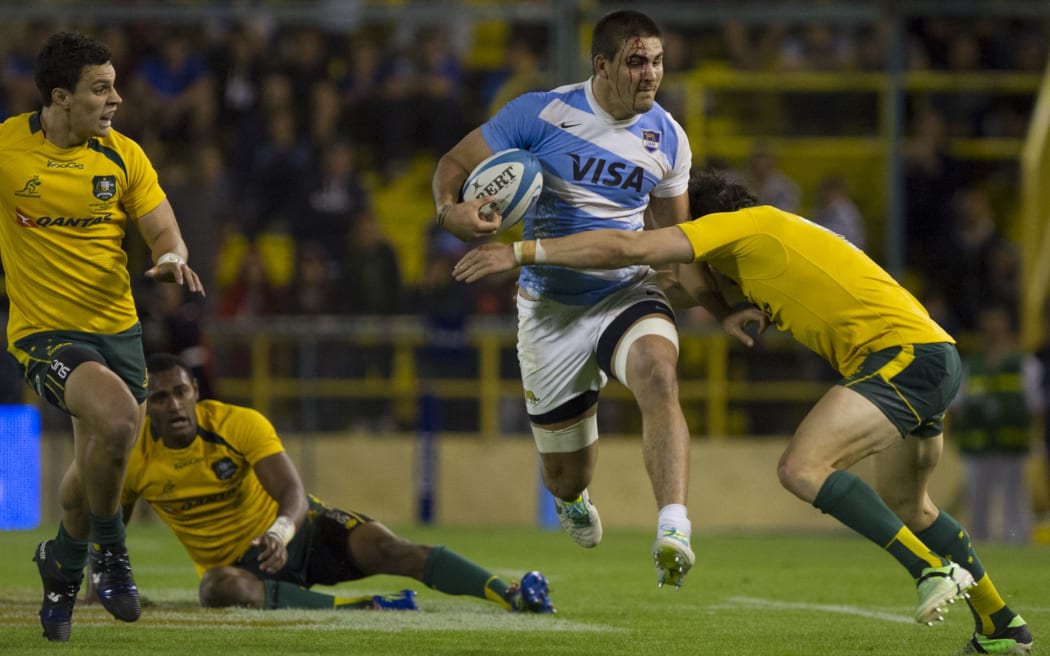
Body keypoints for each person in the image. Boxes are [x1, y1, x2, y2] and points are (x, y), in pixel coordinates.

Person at [452, 170, 1034, 655]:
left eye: (676, 223)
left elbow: (635, 249)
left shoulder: (743, 228)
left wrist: (520, 251)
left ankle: (929, 570)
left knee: (802, 468)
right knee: (913, 505)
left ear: (701, 222)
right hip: (928, 355)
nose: (668, 230)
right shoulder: (766, 241)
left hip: (903, 359)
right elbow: (667, 277)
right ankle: (1000, 625)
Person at [431, 9, 706, 589]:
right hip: (550, 310)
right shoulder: (540, 112)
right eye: (636, 61)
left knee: (659, 372)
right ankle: (572, 496)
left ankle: (674, 526)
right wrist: (449, 209)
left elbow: (671, 242)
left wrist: (716, 298)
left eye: (657, 61)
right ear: (601, 65)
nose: (650, 74)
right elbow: (454, 165)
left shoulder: (669, 138)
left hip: (623, 291)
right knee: (563, 475)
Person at [0, 32, 206, 642]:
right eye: (101, 89)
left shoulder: (123, 156)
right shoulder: (8, 150)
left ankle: (60, 562)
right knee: (118, 423)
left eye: (114, 85)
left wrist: (170, 256)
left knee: (89, 476)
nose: (117, 98)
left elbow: (165, 229)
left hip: (117, 332)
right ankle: (109, 556)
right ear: (60, 97)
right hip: (43, 335)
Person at [109, 352, 553, 614]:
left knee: (390, 548)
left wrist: (280, 532)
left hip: (299, 531)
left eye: (182, 393)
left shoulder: (236, 424)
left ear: (195, 393)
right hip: (241, 568)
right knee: (216, 589)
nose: (175, 406)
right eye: (161, 398)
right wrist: (98, 585)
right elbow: (111, 528)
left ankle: (510, 593)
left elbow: (293, 494)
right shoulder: (135, 457)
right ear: (145, 404)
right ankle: (368, 608)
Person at [950, 303, 1044, 544]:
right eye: (988, 325)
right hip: (978, 442)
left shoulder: (1025, 363)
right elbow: (957, 404)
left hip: (1012, 441)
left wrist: (1035, 436)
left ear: (1008, 330)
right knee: (978, 499)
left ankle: (1018, 542)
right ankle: (979, 544)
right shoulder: (972, 364)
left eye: (997, 324)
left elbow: (1035, 405)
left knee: (1014, 497)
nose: (992, 330)